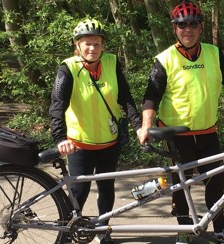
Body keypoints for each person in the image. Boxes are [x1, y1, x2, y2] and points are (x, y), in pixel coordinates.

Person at [138, 1, 224, 244]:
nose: (188, 29)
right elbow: (151, 95)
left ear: (201, 27)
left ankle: (219, 229)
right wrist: (146, 125)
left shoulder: (214, 52)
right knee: (180, 185)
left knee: (216, 183)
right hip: (177, 135)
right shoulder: (164, 59)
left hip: (208, 132)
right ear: (174, 28)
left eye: (193, 24)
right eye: (182, 25)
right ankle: (185, 230)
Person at [49, 18, 142, 244]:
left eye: (97, 44)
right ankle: (68, 234)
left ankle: (102, 230)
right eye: (87, 43)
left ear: (103, 45)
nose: (92, 48)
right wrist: (60, 137)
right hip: (80, 143)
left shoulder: (111, 63)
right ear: (77, 45)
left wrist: (138, 125)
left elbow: (125, 96)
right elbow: (57, 103)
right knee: (79, 192)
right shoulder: (68, 68)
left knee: (106, 189)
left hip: (109, 142)